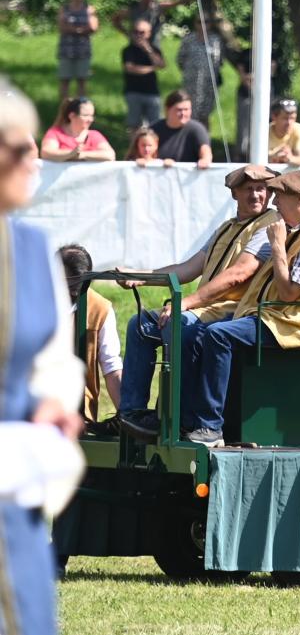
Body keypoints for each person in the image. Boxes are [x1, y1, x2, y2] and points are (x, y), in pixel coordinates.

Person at [0, 81, 85, 635]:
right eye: (17, 147)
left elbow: (56, 362)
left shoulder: (33, 251)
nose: (34, 158)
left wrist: (56, 404)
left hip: (15, 503)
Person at [116, 165, 281, 441]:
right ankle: (132, 414)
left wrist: (187, 302)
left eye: (262, 189)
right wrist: (141, 277)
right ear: (234, 193)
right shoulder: (226, 227)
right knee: (140, 324)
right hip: (207, 308)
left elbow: (239, 273)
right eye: (249, 189)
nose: (257, 195)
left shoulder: (268, 226)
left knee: (178, 323)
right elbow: (191, 267)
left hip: (236, 311)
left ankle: (177, 419)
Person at [185, 170, 300, 447]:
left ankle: (211, 427)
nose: (275, 206)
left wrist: (277, 248)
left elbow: (288, 295)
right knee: (197, 332)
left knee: (218, 335)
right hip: (269, 316)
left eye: (280, 198)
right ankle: (190, 420)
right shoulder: (294, 231)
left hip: (293, 323)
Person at [58, 244, 122, 420]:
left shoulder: (100, 309)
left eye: (76, 287)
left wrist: (127, 416)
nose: (70, 291)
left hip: (77, 414)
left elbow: (112, 366)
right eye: (66, 282)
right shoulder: (29, 302)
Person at [176, 16, 224, 129]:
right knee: (189, 112)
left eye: (206, 22)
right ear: (195, 23)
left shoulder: (215, 40)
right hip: (191, 83)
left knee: (204, 115)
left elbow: (220, 61)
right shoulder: (188, 39)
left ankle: (204, 140)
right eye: (199, 22)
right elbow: (180, 59)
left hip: (208, 85)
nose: (203, 25)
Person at [111, 0, 189, 48]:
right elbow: (115, 19)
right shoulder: (133, 9)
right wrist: (127, 33)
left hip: (153, 44)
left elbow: (178, 2)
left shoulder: (158, 7)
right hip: (136, 44)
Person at [56, 0, 98, 100]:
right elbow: (61, 27)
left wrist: (73, 29)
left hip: (83, 50)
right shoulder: (64, 9)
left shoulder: (89, 9)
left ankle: (81, 108)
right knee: (65, 80)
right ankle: (64, 109)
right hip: (66, 50)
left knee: (82, 80)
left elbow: (94, 27)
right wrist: (81, 30)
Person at [39, 97, 116, 162]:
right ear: (72, 116)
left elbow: (110, 155)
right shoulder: (55, 133)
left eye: (91, 116)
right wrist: (70, 154)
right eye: (86, 115)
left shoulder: (94, 135)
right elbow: (46, 153)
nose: (90, 119)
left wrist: (82, 155)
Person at [122, 19, 165, 130]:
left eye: (142, 32)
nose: (138, 35)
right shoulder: (128, 50)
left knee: (155, 125)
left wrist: (148, 50)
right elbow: (130, 69)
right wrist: (151, 68)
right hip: (133, 92)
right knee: (134, 126)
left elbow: (161, 64)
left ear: (149, 33)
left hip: (152, 92)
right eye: (135, 32)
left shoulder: (154, 49)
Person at [152, 90, 213, 166]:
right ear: (167, 109)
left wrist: (205, 161)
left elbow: (206, 152)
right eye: (179, 110)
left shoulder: (197, 129)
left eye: (186, 109)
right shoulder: (154, 129)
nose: (183, 113)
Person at [268, 98, 300, 166]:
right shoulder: (264, 132)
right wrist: (274, 156)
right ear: (274, 117)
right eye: (285, 118)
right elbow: (256, 160)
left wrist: (289, 158)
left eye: (292, 118)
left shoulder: (299, 129)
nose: (289, 123)